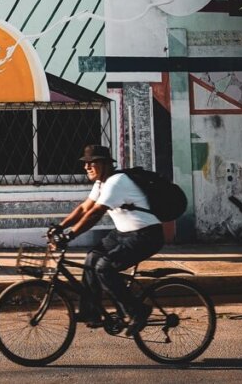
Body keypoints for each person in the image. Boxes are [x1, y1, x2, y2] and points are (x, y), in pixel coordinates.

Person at [50, 144, 164, 335]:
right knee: (92, 257)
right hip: (123, 233)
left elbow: (95, 214)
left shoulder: (116, 181)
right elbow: (84, 208)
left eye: (91, 163)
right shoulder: (101, 183)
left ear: (104, 164)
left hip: (146, 234)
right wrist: (60, 227)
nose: (86, 167)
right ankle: (91, 312)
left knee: (104, 267)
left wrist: (70, 235)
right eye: (85, 164)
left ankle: (137, 310)